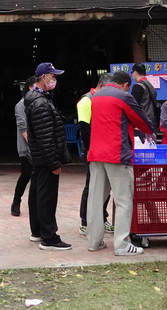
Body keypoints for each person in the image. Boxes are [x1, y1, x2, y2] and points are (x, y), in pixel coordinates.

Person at [85, 71, 155, 255]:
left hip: (95, 154)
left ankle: (94, 241)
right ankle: (122, 245)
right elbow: (142, 121)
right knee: (123, 200)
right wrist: (150, 131)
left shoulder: (96, 96)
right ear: (125, 84)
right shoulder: (124, 96)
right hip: (117, 153)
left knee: (95, 199)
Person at [24, 62, 71, 251]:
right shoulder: (41, 103)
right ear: (44, 78)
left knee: (37, 193)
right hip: (45, 159)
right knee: (46, 197)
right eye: (53, 76)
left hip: (39, 158)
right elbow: (45, 137)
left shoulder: (37, 99)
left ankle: (37, 231)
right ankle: (49, 237)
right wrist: (54, 162)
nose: (55, 80)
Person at [77, 73, 113, 235]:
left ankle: (102, 217)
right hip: (92, 150)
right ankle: (85, 221)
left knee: (105, 185)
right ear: (101, 86)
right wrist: (92, 150)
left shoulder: (103, 100)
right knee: (91, 185)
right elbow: (84, 128)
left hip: (105, 150)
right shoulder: (86, 100)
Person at [11, 76, 37, 217]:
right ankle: (16, 201)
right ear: (29, 87)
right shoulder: (21, 105)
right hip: (26, 147)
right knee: (26, 174)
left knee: (37, 176)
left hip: (38, 146)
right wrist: (31, 143)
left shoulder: (39, 102)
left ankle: (35, 204)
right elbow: (22, 126)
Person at [130, 63, 160, 136]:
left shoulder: (138, 86)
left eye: (132, 73)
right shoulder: (150, 86)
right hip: (152, 122)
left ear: (135, 73)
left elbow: (134, 107)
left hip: (142, 125)